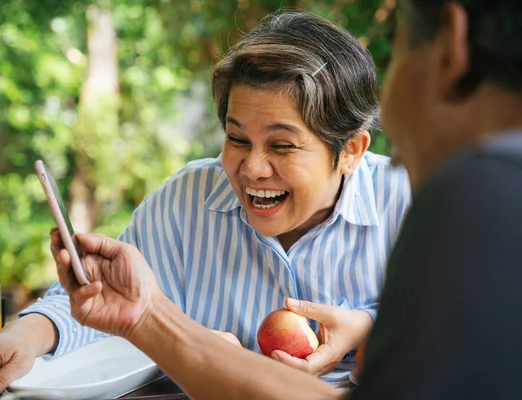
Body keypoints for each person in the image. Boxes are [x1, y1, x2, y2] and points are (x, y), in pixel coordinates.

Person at [51, 0, 522, 399]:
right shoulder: (489, 193)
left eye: (396, 55)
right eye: (237, 139)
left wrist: (151, 319)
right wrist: (146, 316)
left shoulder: (474, 196)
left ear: (450, 48)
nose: (253, 167)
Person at [0, 12, 412, 400]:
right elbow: (98, 298)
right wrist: (18, 338)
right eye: (236, 138)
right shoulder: (189, 200)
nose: (252, 169)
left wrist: (373, 329)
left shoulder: (408, 205)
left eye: (283, 146)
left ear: (350, 150)